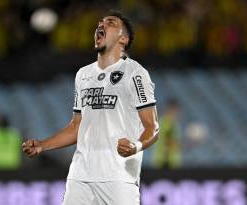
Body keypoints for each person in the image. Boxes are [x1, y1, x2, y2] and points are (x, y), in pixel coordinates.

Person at [22, 10, 159, 205]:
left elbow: (152, 127)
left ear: (124, 39)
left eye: (110, 22)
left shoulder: (136, 74)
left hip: (118, 177)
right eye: (100, 23)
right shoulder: (83, 75)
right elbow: (77, 126)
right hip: (80, 176)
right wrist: (43, 145)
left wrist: (136, 146)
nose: (101, 25)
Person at [152, 99, 182, 169]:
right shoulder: (169, 123)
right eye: (177, 110)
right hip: (167, 162)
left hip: (162, 161)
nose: (179, 113)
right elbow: (168, 142)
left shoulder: (164, 121)